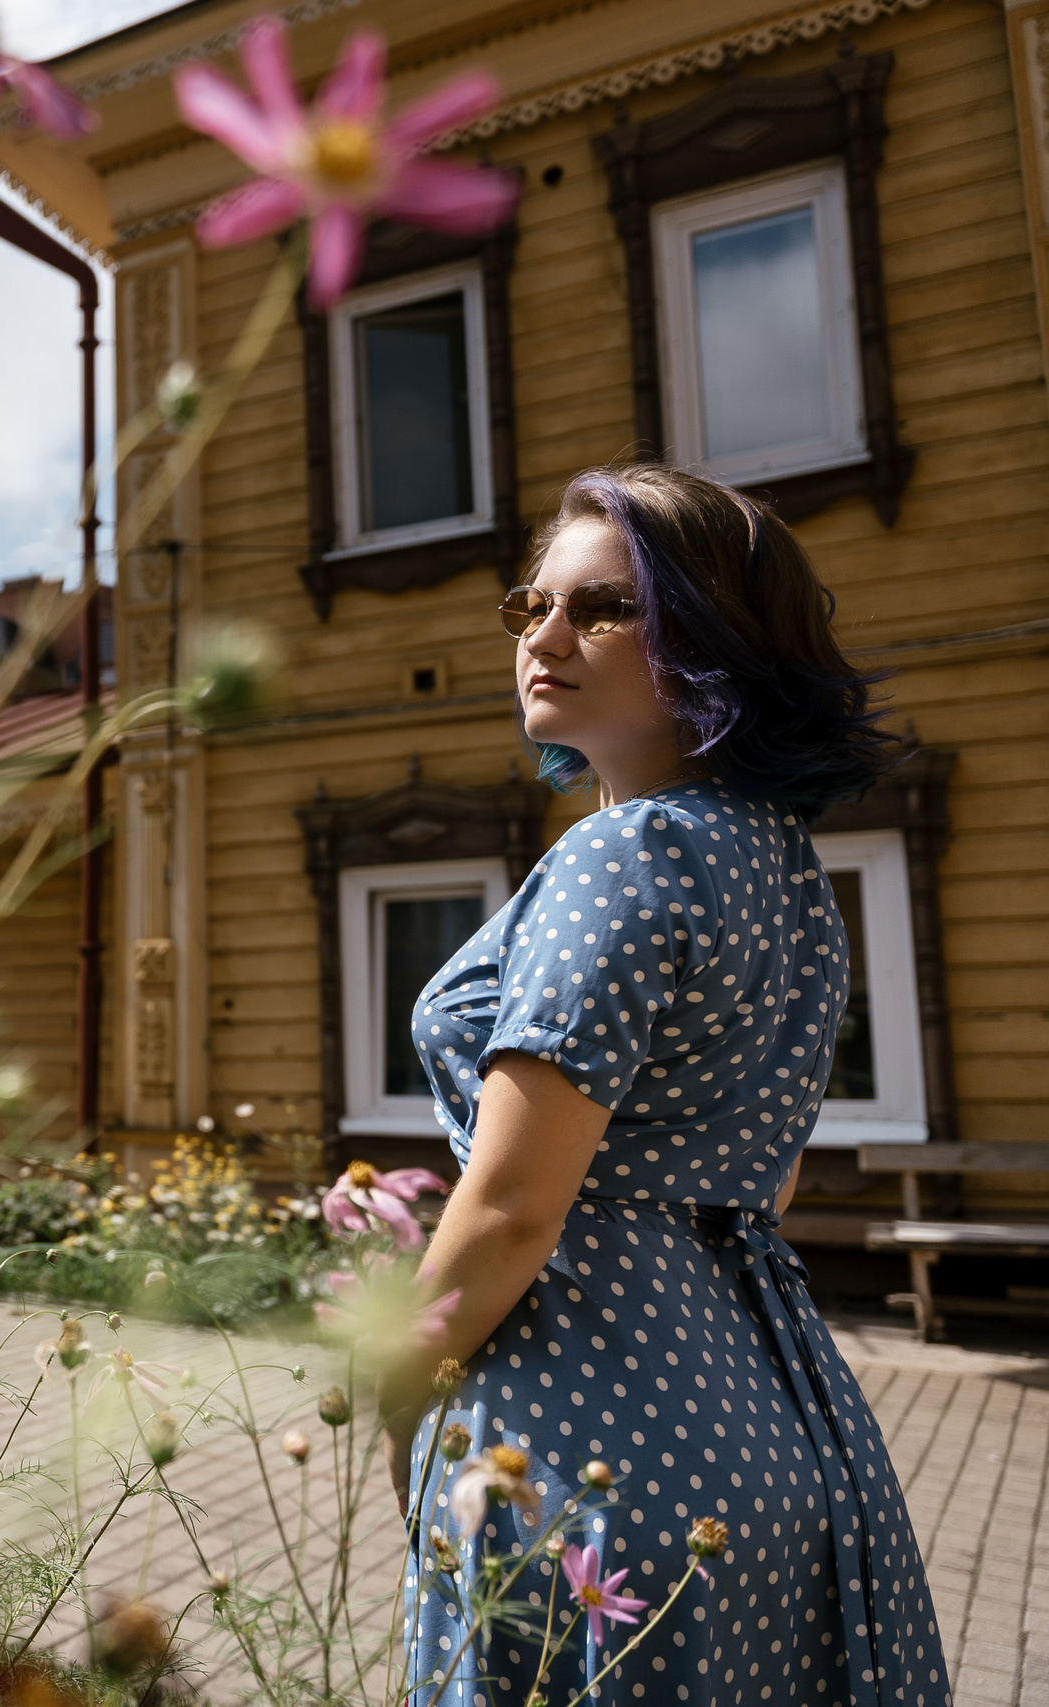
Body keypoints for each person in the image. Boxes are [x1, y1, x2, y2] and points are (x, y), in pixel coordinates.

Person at [378, 464, 946, 1705]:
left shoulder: (623, 855)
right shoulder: (789, 874)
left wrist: (387, 1374)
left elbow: (517, 1204)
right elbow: (765, 1172)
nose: (544, 633)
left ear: (716, 639)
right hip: (778, 1416)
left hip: (586, 1436)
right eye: (533, 604)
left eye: (602, 609)